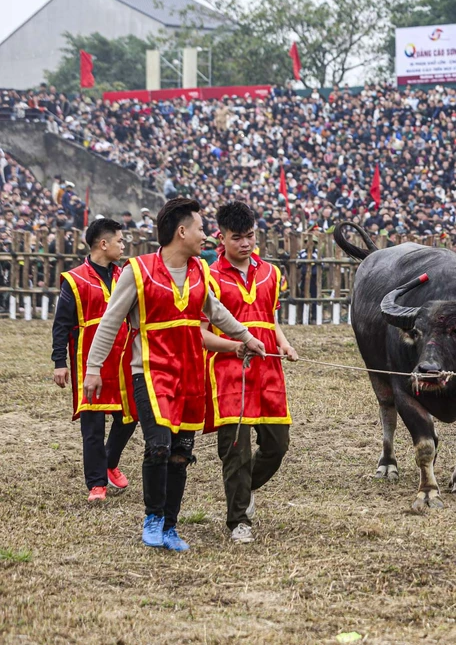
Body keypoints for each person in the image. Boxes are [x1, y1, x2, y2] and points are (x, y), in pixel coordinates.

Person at [85, 198, 266, 552]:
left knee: (181, 452)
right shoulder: (138, 271)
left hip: (190, 378)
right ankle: (152, 518)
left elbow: (217, 311)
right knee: (159, 446)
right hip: (150, 375)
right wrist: (93, 368)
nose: (205, 236)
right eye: (200, 228)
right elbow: (109, 323)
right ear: (181, 231)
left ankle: (170, 525)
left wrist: (247, 337)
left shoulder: (200, 271)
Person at [200, 202, 298, 544]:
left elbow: (269, 319)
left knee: (277, 444)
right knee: (236, 449)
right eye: (237, 237)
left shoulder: (271, 273)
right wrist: (234, 346)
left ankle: (245, 486)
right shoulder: (208, 277)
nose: (245, 243)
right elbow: (200, 333)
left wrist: (283, 343)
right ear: (221, 238)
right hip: (229, 371)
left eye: (250, 236)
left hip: (268, 368)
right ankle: (239, 520)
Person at [51, 218, 136, 502]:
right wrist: (59, 361)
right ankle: (97, 483)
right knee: (93, 425)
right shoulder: (75, 280)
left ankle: (109, 462)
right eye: (119, 241)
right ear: (104, 243)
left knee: (131, 415)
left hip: (124, 357)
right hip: (89, 361)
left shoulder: (126, 274)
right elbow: (61, 324)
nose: (123, 246)